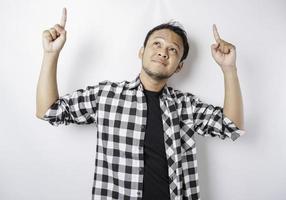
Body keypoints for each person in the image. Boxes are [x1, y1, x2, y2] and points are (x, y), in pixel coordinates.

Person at [36, 7, 245, 200]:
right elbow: (49, 111)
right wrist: (50, 54)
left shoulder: (185, 106)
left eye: (173, 50)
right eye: (157, 43)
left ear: (179, 67)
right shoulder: (106, 95)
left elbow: (231, 127)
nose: (164, 52)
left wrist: (229, 69)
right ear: (141, 52)